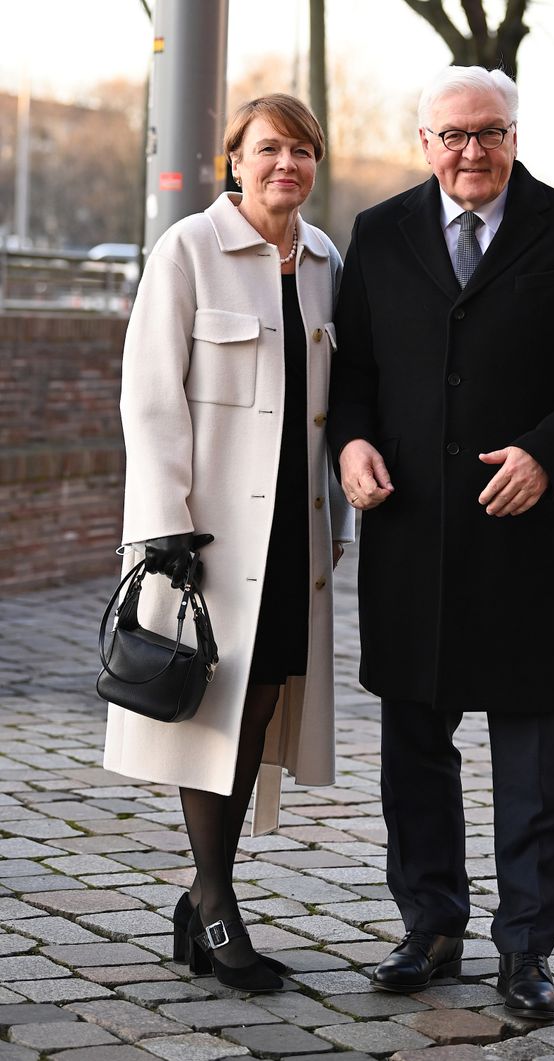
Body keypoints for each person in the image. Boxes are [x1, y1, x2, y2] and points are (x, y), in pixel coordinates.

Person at [328, 66, 554, 1022]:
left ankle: (526, 950)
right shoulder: (379, 233)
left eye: (489, 132)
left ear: (515, 133)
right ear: (423, 141)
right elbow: (357, 372)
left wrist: (549, 453)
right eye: (453, 135)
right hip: (412, 536)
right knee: (414, 752)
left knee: (532, 768)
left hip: (527, 538)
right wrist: (349, 442)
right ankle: (429, 926)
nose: (472, 152)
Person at [104, 94, 353, 992]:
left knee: (256, 707)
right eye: (269, 148)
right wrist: (163, 524)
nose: (286, 163)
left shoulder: (325, 259)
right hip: (206, 536)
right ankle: (213, 901)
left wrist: (342, 523)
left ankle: (204, 894)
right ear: (233, 161)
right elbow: (149, 395)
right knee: (214, 707)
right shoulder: (188, 249)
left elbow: (337, 405)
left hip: (295, 533)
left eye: (301, 149)